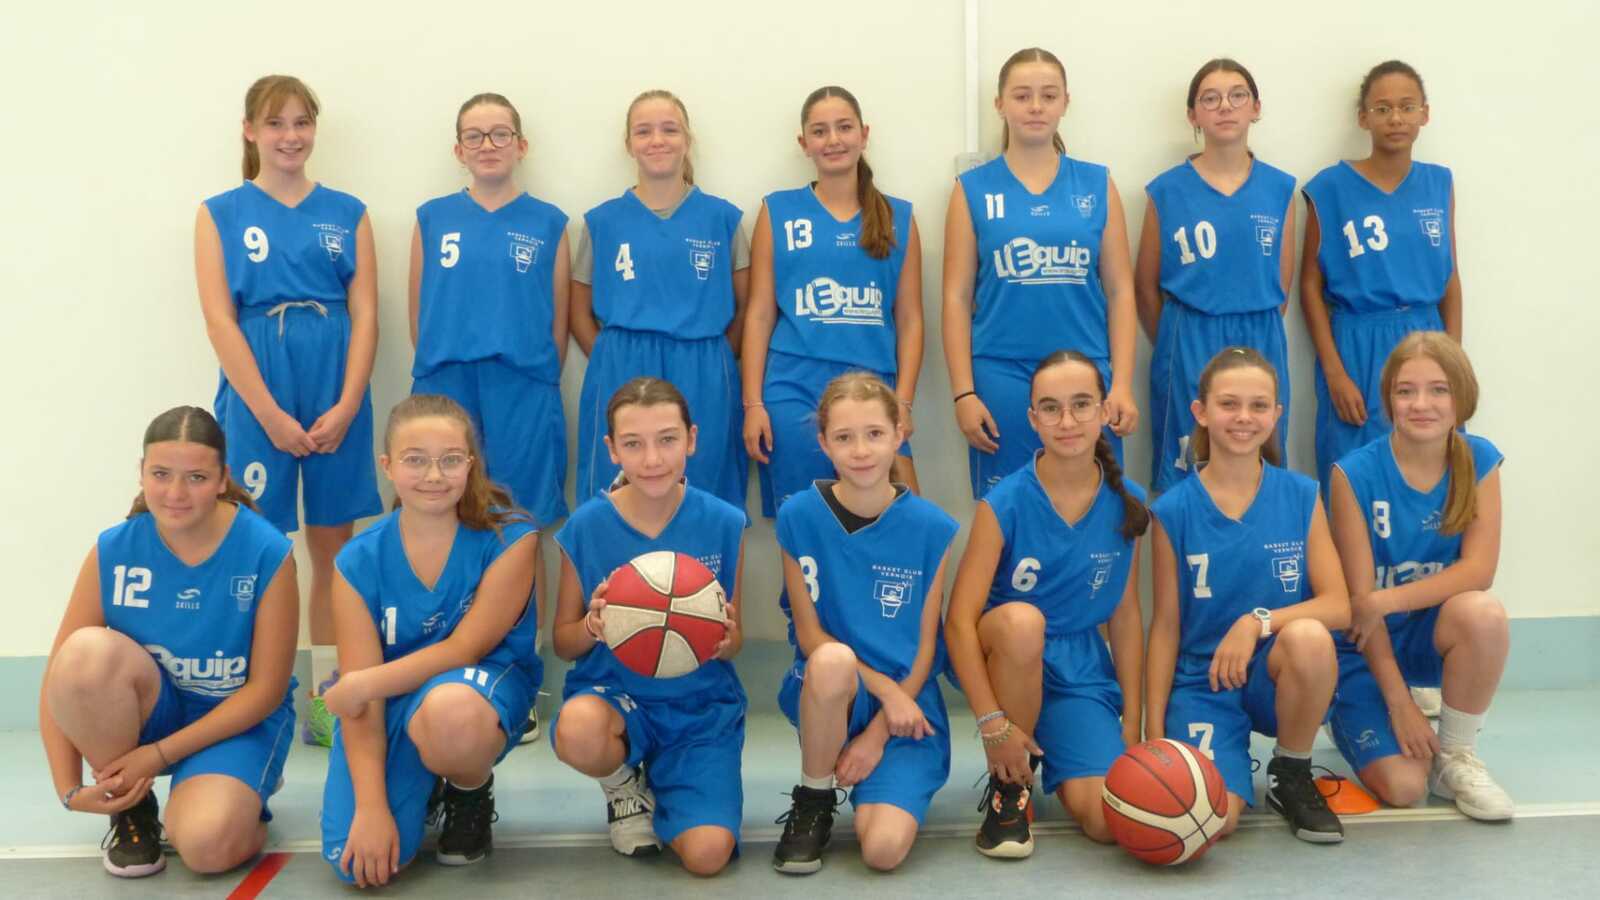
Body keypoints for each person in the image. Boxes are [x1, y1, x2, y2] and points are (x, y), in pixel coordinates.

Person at [195, 75, 382, 744]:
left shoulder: (348, 212)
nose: (290, 136)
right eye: (276, 123)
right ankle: (257, 697)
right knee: (259, 546)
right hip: (259, 385)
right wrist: (269, 414)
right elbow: (220, 320)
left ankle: (332, 695)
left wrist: (349, 402)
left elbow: (366, 313)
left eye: (302, 122)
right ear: (250, 131)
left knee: (335, 545)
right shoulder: (219, 213)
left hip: (333, 381)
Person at [40, 406, 298, 877]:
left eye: (196, 477)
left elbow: (267, 691)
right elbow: (58, 678)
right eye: (161, 474)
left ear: (222, 479)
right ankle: (131, 807)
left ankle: (244, 787)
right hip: (156, 709)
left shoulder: (266, 551)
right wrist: (70, 791)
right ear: (142, 473)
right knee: (82, 655)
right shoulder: (113, 550)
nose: (176, 493)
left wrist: (158, 756)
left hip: (235, 719)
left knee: (206, 848)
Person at [318, 395, 541, 886]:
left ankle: (468, 788)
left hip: (475, 691)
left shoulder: (511, 538)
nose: (434, 475)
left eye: (450, 460)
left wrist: (360, 685)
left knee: (450, 716)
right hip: (392, 698)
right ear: (388, 466)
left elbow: (463, 650)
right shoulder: (357, 561)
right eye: (415, 460)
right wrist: (371, 809)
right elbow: (362, 704)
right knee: (355, 865)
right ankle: (421, 782)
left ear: (471, 464)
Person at [410, 91, 570, 742]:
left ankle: (523, 677)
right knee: (442, 518)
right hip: (448, 381)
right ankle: (446, 665)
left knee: (520, 526)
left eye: (500, 133)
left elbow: (558, 323)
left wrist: (530, 377)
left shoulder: (550, 223)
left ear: (521, 145)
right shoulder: (432, 219)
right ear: (458, 150)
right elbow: (419, 312)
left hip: (522, 384)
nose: (487, 145)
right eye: (474, 136)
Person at [945, 351, 1147, 858]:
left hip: (1078, 668)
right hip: (1006, 652)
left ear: (1104, 410)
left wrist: (1132, 718)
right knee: (1023, 622)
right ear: (1033, 419)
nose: (1067, 421)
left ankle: (1049, 741)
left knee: (1107, 822)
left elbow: (1124, 614)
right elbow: (959, 623)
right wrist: (992, 723)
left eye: (1081, 404)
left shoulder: (1128, 501)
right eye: (1051, 408)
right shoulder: (1005, 502)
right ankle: (1009, 785)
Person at [1145, 348, 1350, 843]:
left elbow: (1338, 606)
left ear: (1276, 415)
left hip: (1272, 671)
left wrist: (1255, 622)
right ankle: (1227, 766)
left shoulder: (1302, 494)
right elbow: (1166, 625)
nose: (1244, 417)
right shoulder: (1172, 509)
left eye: (1259, 406)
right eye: (1229, 404)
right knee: (1212, 820)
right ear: (1201, 412)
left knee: (1309, 636)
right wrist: (1153, 733)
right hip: (1203, 681)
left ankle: (1292, 772)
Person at [550, 377, 747, 876]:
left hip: (698, 707)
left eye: (667, 439)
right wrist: (593, 624)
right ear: (612, 450)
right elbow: (563, 643)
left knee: (707, 856)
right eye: (633, 444)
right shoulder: (586, 526)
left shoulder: (725, 522)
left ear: (691, 439)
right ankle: (623, 785)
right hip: (616, 696)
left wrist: (725, 637)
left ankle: (674, 782)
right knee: (578, 728)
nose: (653, 459)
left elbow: (734, 641)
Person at [770, 373, 956, 874]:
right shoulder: (798, 516)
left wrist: (879, 731)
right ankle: (814, 797)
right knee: (832, 660)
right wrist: (883, 693)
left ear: (899, 434)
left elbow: (926, 649)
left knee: (882, 852)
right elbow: (810, 636)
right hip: (835, 685)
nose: (860, 451)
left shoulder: (932, 527)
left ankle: (881, 774)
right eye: (844, 437)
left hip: (908, 701)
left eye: (874, 434)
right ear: (824, 443)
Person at [1326, 332, 1512, 820]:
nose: (1421, 404)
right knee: (1405, 787)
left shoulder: (1479, 460)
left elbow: (1479, 571)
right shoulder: (1352, 475)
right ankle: (1346, 712)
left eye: (1438, 390)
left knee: (1484, 614)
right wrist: (1399, 703)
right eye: (1405, 391)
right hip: (1364, 646)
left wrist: (1389, 599)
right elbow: (1362, 609)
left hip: (1426, 632)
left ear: (1462, 397)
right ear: (1388, 399)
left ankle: (1455, 757)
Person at [943, 46, 1138, 499]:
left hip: (1086, 373)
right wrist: (963, 393)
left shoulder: (1097, 183)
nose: (1035, 106)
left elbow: (1120, 291)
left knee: (1094, 505)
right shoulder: (972, 189)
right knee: (1008, 508)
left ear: (1065, 102)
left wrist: (1122, 384)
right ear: (1000, 104)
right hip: (1002, 376)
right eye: (1022, 95)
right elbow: (955, 297)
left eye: (1048, 96)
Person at [742, 86, 924, 516]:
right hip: (793, 386)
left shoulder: (898, 216)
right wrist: (753, 404)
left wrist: (903, 400)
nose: (834, 139)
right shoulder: (778, 211)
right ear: (804, 143)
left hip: (874, 387)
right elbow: (760, 314)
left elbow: (911, 319)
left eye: (844, 127)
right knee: (805, 519)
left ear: (864, 134)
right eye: (820, 131)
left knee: (900, 515)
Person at [571, 90, 751, 511]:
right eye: (644, 131)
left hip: (703, 363)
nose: (657, 140)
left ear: (687, 139)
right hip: (622, 361)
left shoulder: (723, 218)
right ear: (628, 143)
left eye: (670, 129)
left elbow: (748, 307)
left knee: (706, 491)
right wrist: (610, 356)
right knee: (615, 492)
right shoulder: (602, 220)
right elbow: (578, 309)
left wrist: (717, 356)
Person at [1137, 58, 1296, 493]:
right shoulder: (1165, 190)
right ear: (1193, 115)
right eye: (1210, 98)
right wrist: (1177, 336)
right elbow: (1145, 287)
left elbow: (1281, 286)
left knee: (1261, 463)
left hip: (1260, 333)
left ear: (1255, 107)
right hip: (1189, 334)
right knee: (1186, 466)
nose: (1225, 106)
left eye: (1237, 95)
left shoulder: (1280, 188)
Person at [1302, 61, 1460, 489]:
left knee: (1432, 469)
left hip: (1426, 335)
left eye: (1407, 107)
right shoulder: (1329, 187)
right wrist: (1335, 372)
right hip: (1357, 341)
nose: (1395, 118)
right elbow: (1310, 285)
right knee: (1354, 473)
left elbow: (1449, 278)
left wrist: (1453, 361)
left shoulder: (1439, 184)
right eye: (1383, 108)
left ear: (1425, 113)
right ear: (1363, 117)